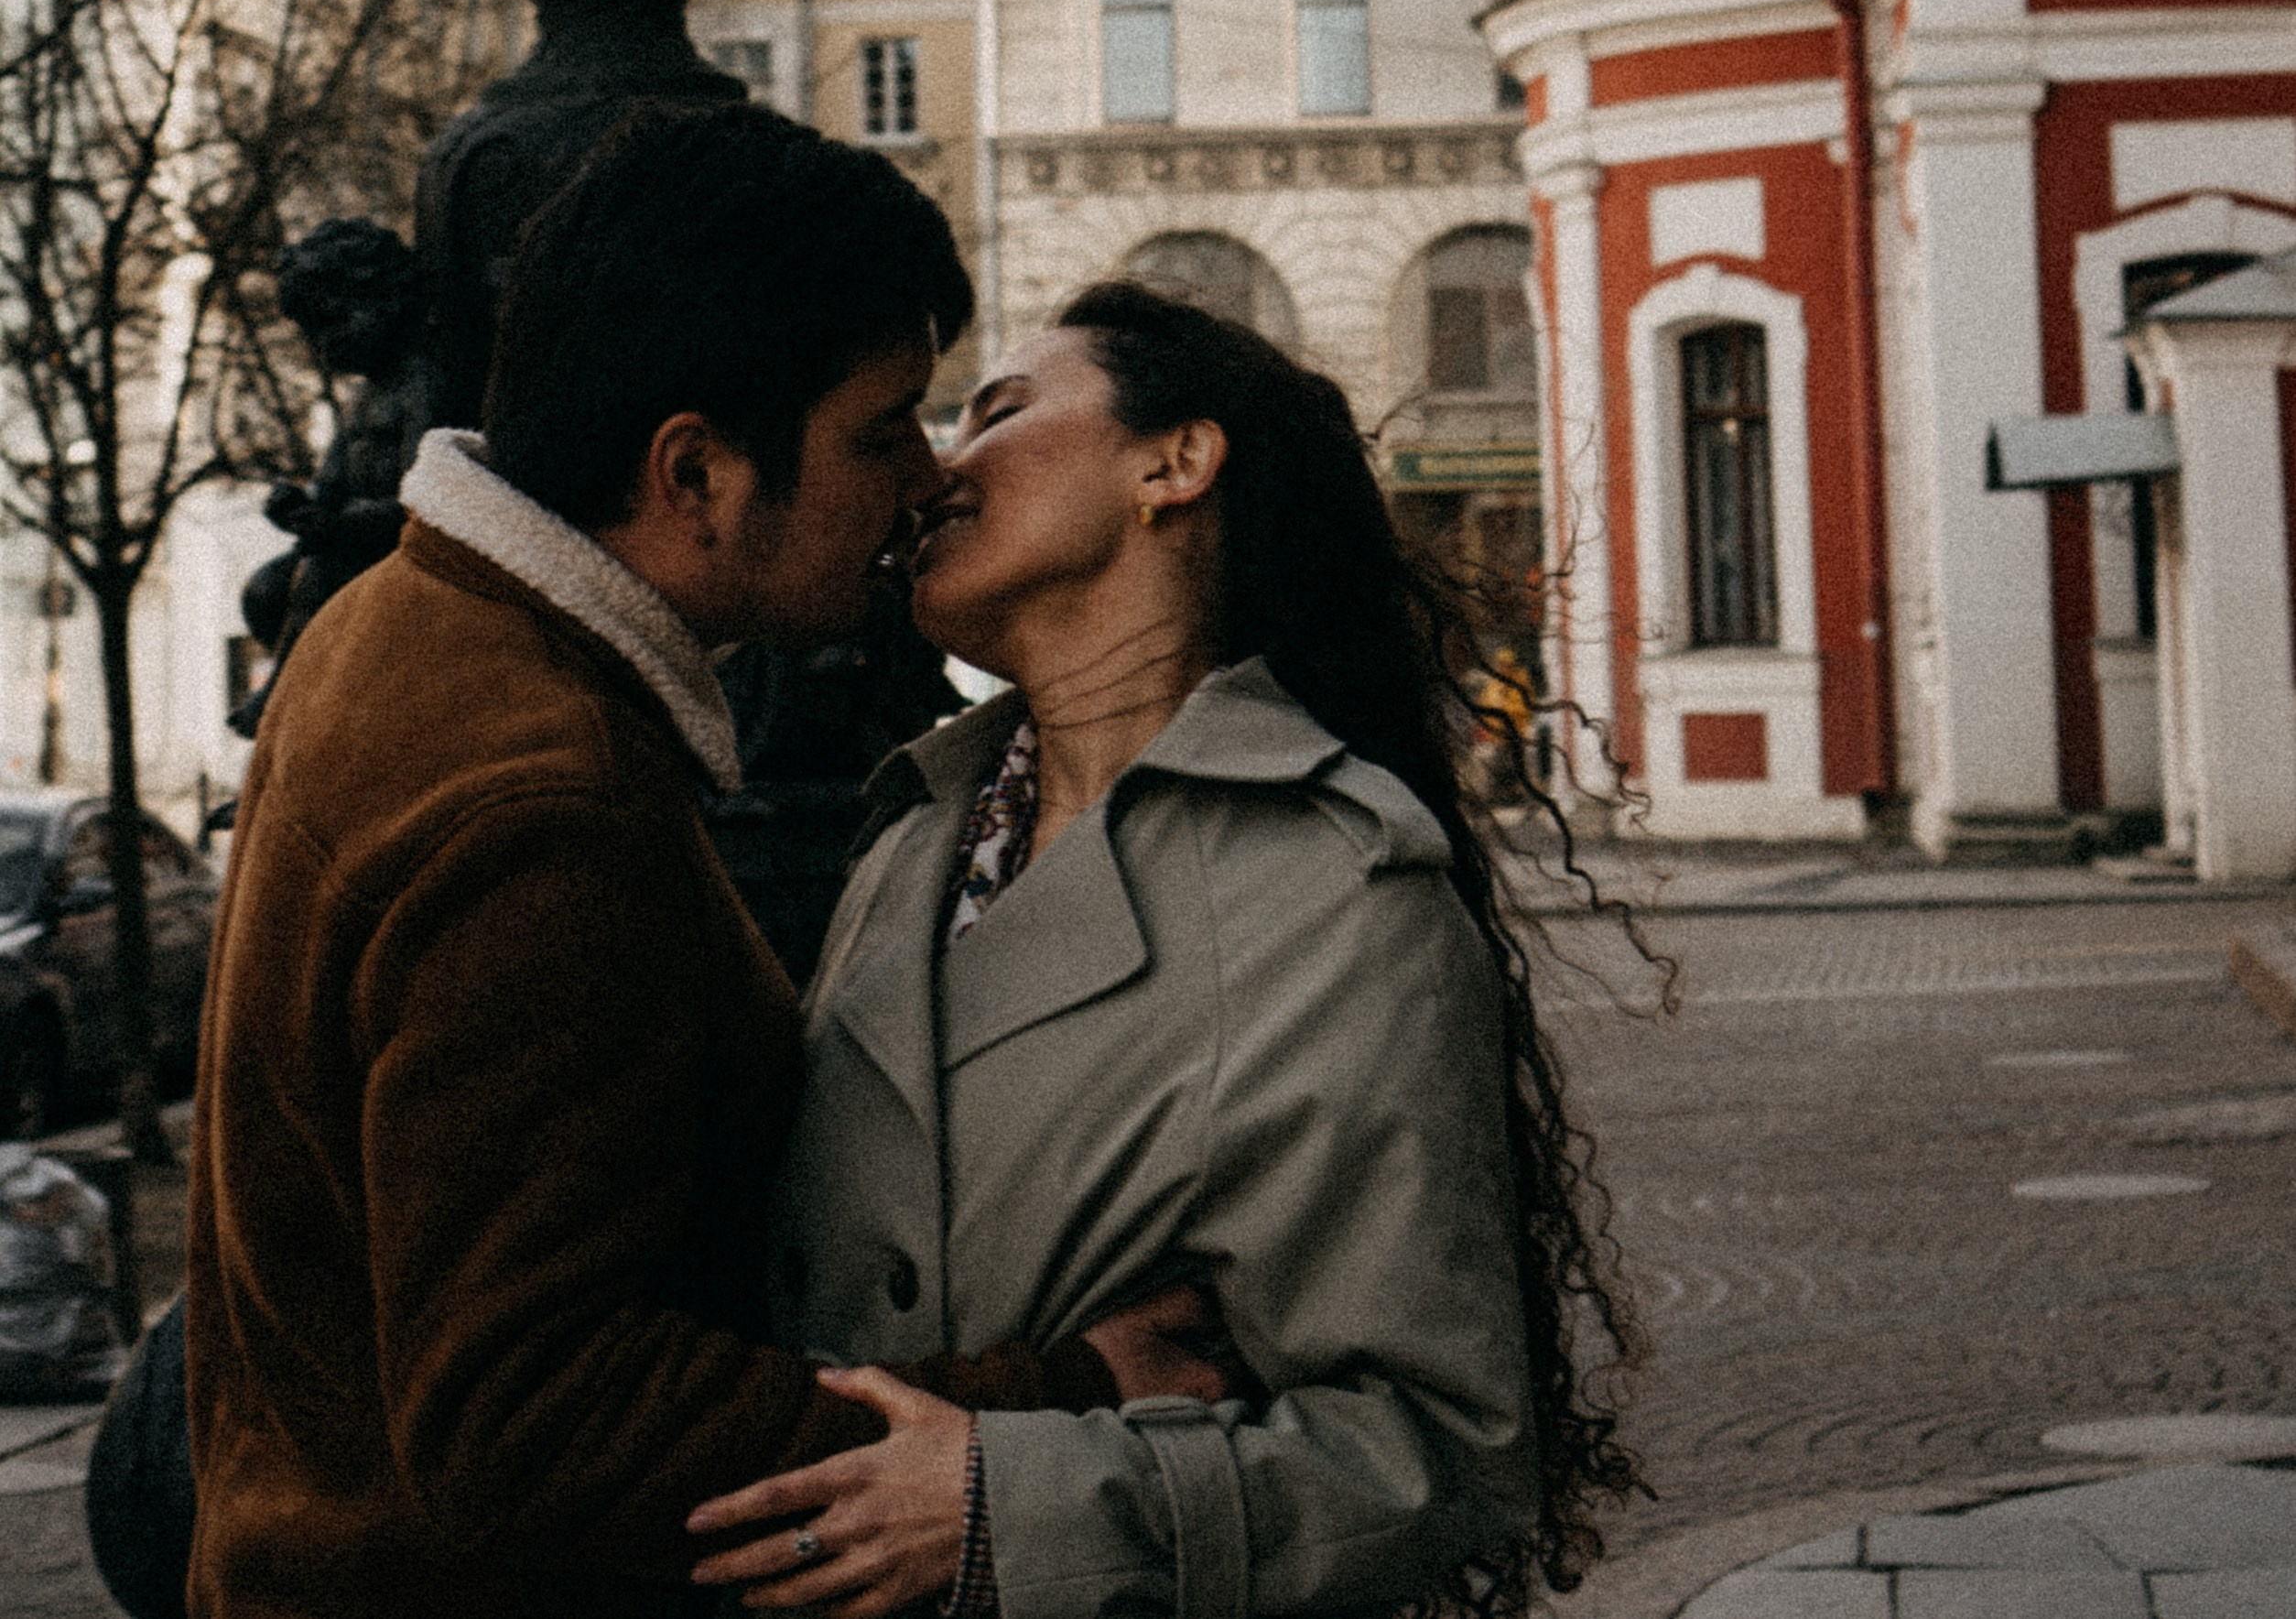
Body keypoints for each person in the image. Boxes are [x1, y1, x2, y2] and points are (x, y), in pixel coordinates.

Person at [184, 113, 1218, 1619]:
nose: (926, 477)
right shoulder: (545, 801)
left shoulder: (404, 620)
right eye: (881, 430)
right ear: (697, 470)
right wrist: (1051, 1396)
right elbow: (531, 1415)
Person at [695, 281, 1637, 1619]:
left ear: (1174, 462)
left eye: (1000, 411)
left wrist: (1011, 1502)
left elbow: (1435, 1448)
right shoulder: (913, 833)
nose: (939, 469)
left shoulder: (1336, 883)